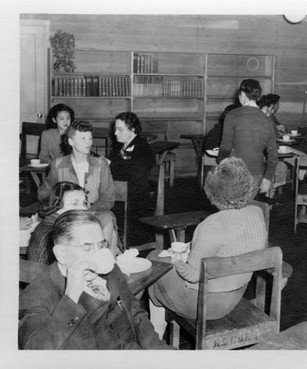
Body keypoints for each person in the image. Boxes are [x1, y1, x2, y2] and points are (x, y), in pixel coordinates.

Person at [148, 158, 267, 337]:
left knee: (154, 261)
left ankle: (155, 331)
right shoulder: (257, 213)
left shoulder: (211, 225)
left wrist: (178, 260)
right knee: (158, 264)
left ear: (213, 193)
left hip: (206, 304)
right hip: (235, 295)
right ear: (247, 187)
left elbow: (192, 276)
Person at [19, 210, 170, 350]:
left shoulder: (111, 271)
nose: (99, 254)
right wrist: (71, 296)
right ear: (61, 253)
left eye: (101, 245)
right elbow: (36, 351)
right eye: (87, 247)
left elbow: (136, 314)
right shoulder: (37, 295)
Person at [38, 120, 120, 255]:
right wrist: (58, 206)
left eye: (90, 138)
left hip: (94, 213)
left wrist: (89, 209)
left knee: (107, 218)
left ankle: (104, 261)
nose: (88, 142)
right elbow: (44, 193)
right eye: (83, 138)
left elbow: (108, 198)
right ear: (71, 142)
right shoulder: (58, 164)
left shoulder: (101, 164)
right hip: (66, 215)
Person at [218, 79, 278, 197]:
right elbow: (273, 155)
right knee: (246, 208)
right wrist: (267, 178)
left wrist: (220, 163)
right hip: (256, 174)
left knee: (231, 210)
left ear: (243, 95)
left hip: (234, 172)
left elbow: (225, 147)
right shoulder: (267, 120)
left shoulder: (232, 115)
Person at [109, 112, 155, 245]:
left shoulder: (142, 148)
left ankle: (116, 242)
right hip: (120, 190)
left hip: (135, 196)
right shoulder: (118, 146)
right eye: (115, 129)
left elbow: (135, 175)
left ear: (133, 129)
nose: (116, 133)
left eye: (120, 129)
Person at [27, 181, 89, 264]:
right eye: (75, 203)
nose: (83, 208)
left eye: (84, 203)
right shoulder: (51, 233)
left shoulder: (62, 225)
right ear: (57, 207)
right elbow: (41, 272)